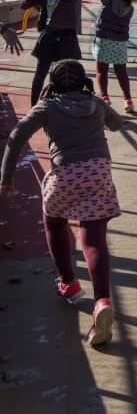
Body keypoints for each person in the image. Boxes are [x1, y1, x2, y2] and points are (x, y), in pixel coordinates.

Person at [0, 59, 123, 346]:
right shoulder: (94, 102)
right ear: (83, 82)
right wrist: (104, 111)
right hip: (98, 171)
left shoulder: (48, 107)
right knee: (94, 238)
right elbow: (117, 125)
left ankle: (68, 283)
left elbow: (17, 136)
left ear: (53, 84)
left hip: (65, 172)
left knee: (53, 220)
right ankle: (102, 300)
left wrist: (6, 177)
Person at [21, 0, 95, 105]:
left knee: (66, 73)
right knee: (40, 73)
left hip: (67, 36)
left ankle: (64, 104)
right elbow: (24, 5)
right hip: (49, 34)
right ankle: (33, 105)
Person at [85, 0, 135, 113]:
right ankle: (128, 99)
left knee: (102, 71)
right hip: (119, 42)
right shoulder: (130, 8)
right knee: (122, 72)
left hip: (104, 40)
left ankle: (105, 97)